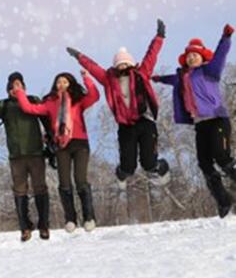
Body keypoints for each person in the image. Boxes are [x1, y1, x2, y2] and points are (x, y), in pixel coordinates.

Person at [67, 19, 169, 189]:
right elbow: (93, 68)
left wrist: (159, 37)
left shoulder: (140, 74)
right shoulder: (109, 79)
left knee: (149, 163)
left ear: (130, 64)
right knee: (128, 167)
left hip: (145, 121)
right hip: (126, 126)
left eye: (125, 63)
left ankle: (162, 168)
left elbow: (151, 56)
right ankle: (121, 174)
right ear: (115, 66)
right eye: (119, 63)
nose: (122, 65)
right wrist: (79, 56)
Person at [153, 25, 234, 217]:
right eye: (188, 55)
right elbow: (171, 79)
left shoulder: (210, 71)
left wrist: (226, 37)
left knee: (221, 157)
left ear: (202, 57)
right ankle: (223, 199)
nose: (191, 58)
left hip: (217, 120)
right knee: (204, 163)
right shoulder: (182, 77)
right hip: (200, 125)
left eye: (195, 55)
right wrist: (156, 78)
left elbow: (221, 55)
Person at [15, 70, 100, 233]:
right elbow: (29, 108)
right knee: (64, 183)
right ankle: (70, 218)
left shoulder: (78, 100)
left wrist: (86, 78)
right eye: (58, 82)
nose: (61, 84)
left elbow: (95, 95)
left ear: (70, 84)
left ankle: (89, 217)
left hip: (80, 143)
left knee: (80, 180)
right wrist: (19, 91)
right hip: (62, 146)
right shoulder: (50, 103)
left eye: (65, 82)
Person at [0, 72, 50, 241]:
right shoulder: (4, 105)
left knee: (40, 188)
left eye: (19, 85)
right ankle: (25, 228)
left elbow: (46, 119)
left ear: (25, 88)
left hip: (35, 153)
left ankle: (43, 225)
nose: (15, 89)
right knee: (19, 191)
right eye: (12, 87)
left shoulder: (33, 100)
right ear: (8, 90)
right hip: (16, 156)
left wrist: (51, 139)